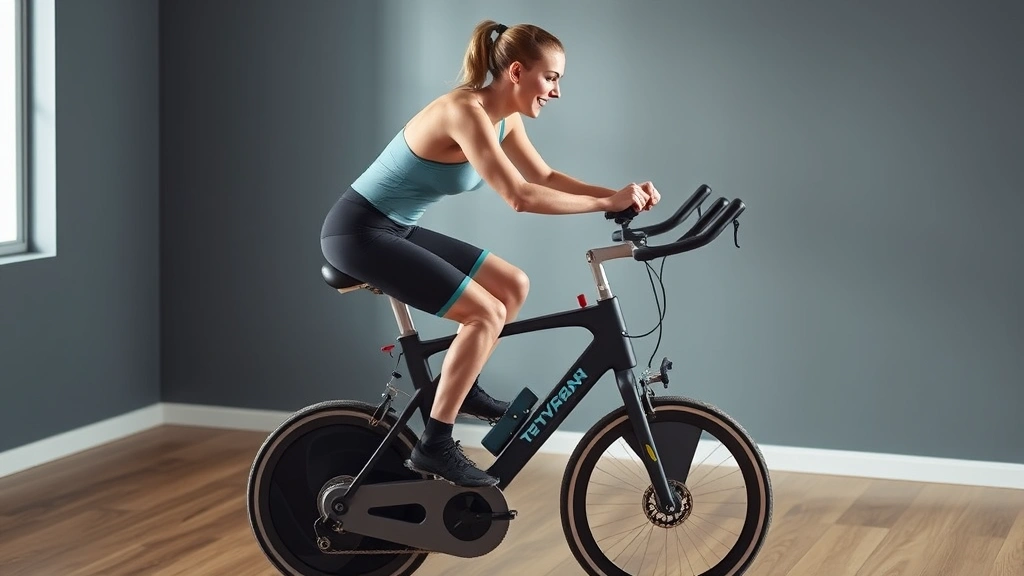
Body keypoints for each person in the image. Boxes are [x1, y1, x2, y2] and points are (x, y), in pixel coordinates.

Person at [320, 19, 660, 487]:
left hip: (396, 228)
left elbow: (543, 176)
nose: (557, 92)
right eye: (552, 78)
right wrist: (605, 203)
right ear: (517, 72)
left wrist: (619, 194)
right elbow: (519, 197)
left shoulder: (505, 118)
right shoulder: (465, 112)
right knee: (484, 314)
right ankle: (435, 444)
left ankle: (460, 389)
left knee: (512, 285)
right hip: (357, 232)